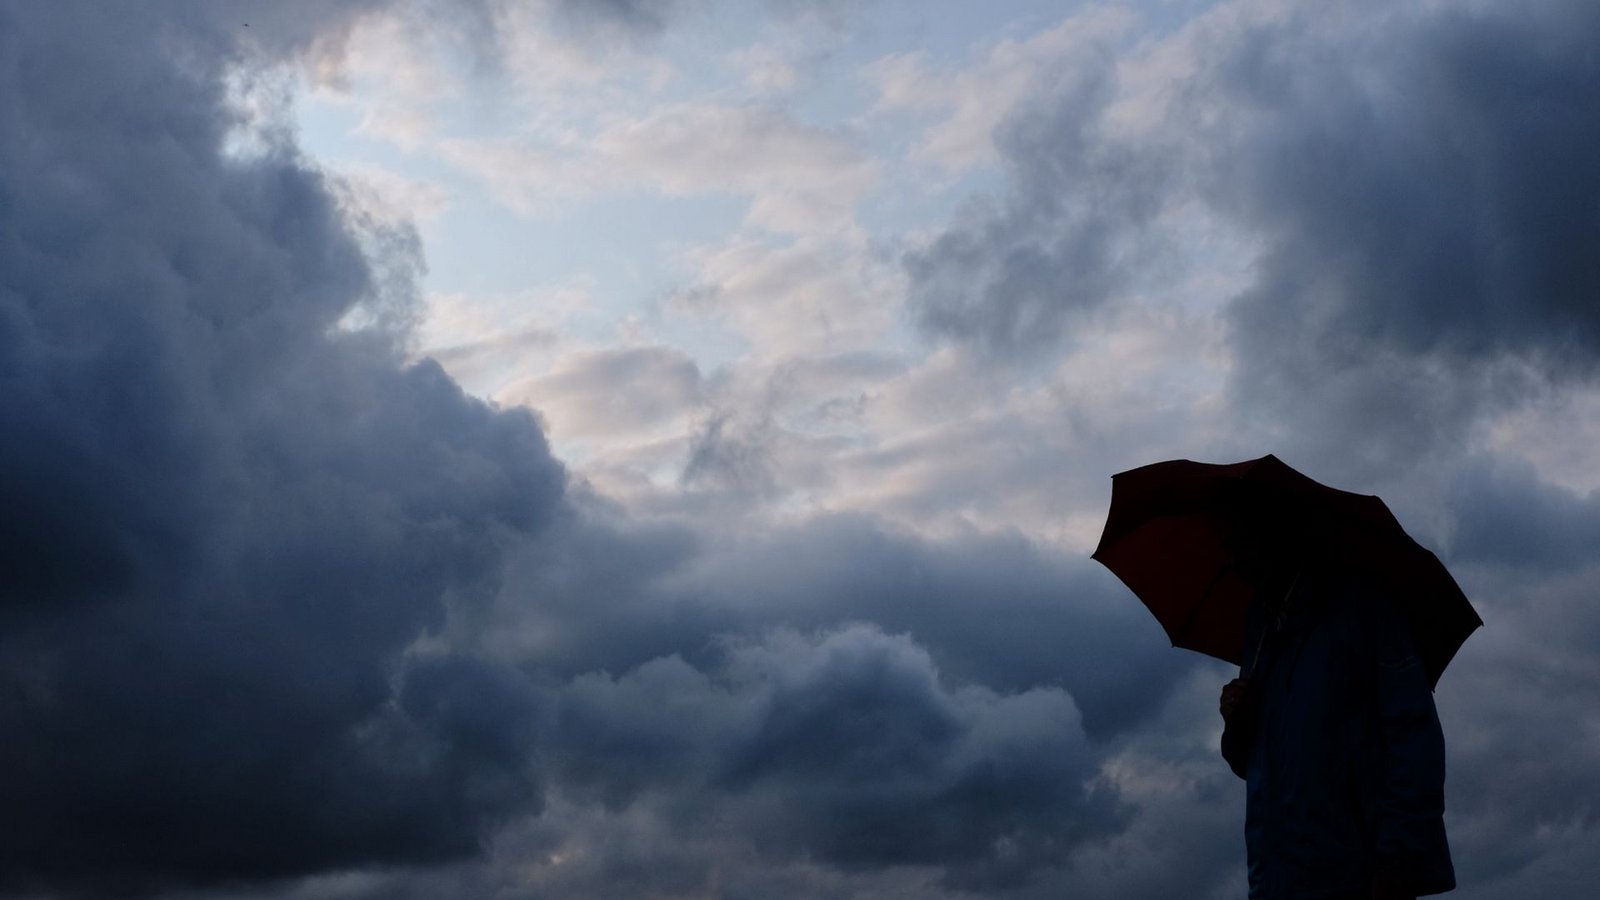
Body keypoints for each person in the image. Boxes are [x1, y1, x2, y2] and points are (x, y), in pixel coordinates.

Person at [1219, 553, 1456, 900]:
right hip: (1276, 882)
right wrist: (1238, 723)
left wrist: (1398, 859)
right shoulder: (1262, 629)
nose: (1233, 558)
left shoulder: (1362, 609)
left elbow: (1413, 737)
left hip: (1359, 876)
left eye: (1240, 536)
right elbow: (1257, 765)